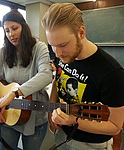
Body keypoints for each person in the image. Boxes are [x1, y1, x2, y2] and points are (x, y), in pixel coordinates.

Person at [41, 3, 124, 150]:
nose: (58, 53)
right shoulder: (63, 56)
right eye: (52, 46)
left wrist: (73, 121)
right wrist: (51, 108)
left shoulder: (112, 73)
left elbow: (115, 127)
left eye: (63, 45)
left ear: (81, 32)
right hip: (62, 136)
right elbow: (58, 79)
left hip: (91, 145)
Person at [0, 9, 52, 150]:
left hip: (35, 117)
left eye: (14, 28)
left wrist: (13, 94)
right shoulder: (3, 52)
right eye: (6, 30)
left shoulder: (39, 48)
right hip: (8, 115)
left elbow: (46, 75)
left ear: (23, 27)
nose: (11, 34)